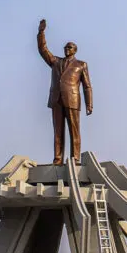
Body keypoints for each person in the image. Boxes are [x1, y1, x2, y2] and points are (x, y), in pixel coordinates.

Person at [37, 19, 93, 165]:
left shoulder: (81, 64)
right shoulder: (55, 61)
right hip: (56, 99)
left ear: (75, 50)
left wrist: (89, 104)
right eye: (65, 47)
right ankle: (57, 158)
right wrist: (41, 33)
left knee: (74, 130)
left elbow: (87, 86)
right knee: (57, 132)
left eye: (70, 47)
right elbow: (43, 50)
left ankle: (75, 158)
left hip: (72, 100)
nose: (66, 49)